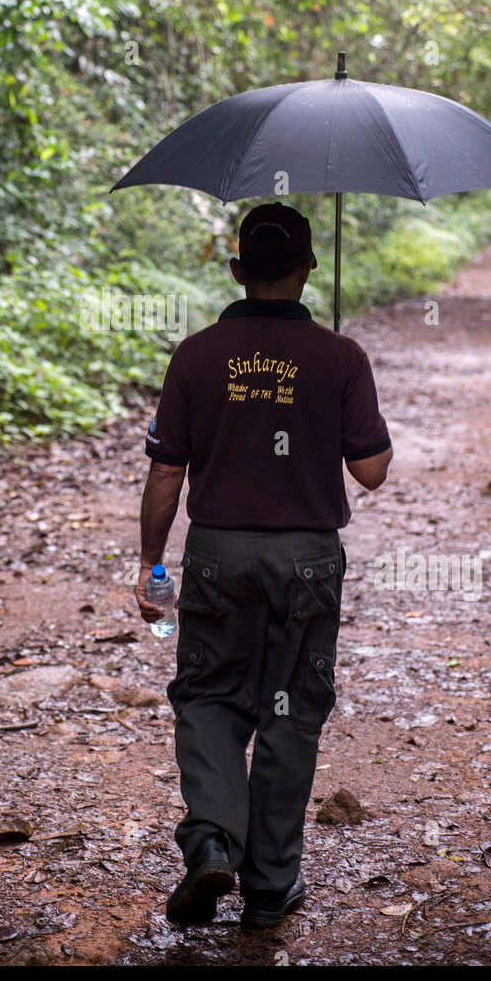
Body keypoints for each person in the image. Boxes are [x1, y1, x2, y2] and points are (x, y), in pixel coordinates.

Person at [134, 201, 393, 929]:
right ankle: (272, 884)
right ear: (308, 267)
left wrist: (153, 565)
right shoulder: (339, 357)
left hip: (218, 553)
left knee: (211, 698)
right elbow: (370, 470)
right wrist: (341, 393)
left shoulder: (195, 354)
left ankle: (213, 836)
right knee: (289, 711)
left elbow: (164, 475)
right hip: (306, 559)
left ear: (238, 269)